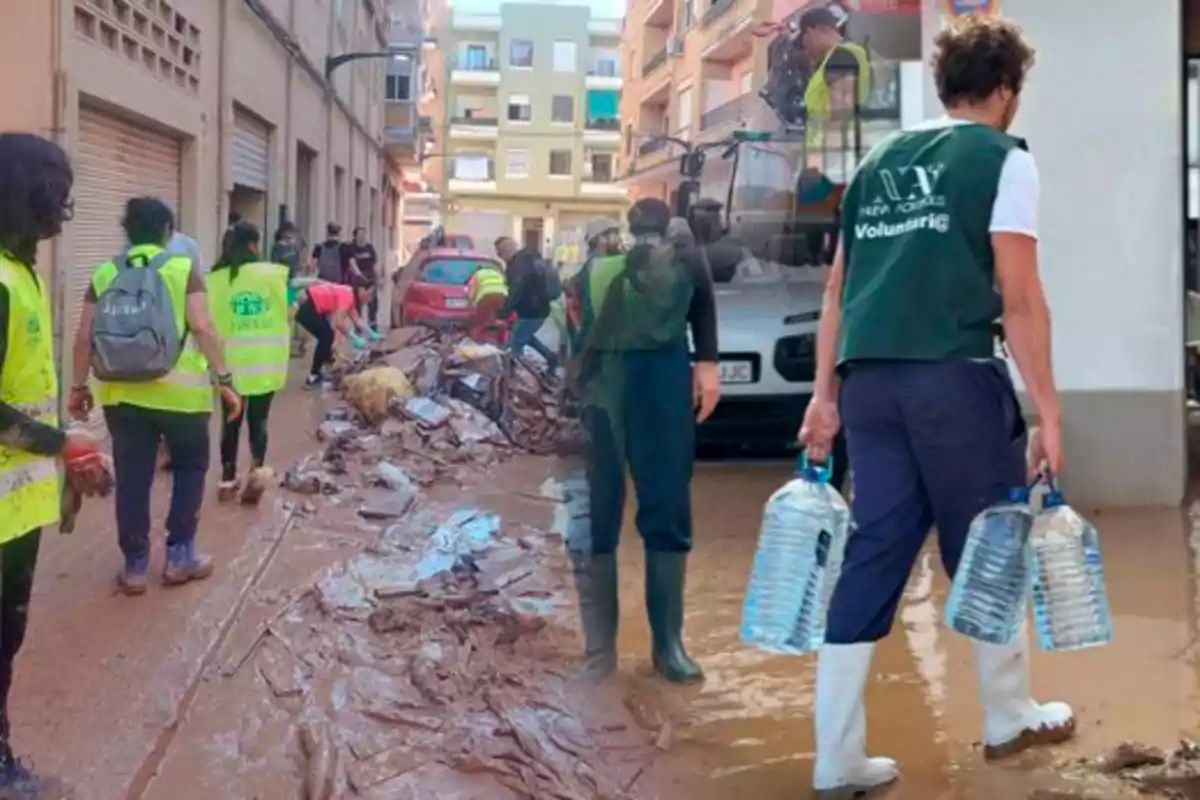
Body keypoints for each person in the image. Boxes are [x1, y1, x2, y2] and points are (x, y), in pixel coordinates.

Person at [797, 17, 1070, 796]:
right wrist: (1049, 411)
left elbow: (836, 292)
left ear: (947, 84)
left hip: (869, 385)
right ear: (1008, 92)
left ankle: (836, 757)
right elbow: (1019, 299)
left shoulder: (879, 161)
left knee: (874, 551)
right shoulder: (1002, 158)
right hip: (951, 378)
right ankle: (1008, 714)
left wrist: (824, 397)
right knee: (988, 547)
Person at [564, 198, 719, 685]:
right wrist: (708, 369)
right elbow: (708, 316)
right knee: (659, 504)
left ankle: (614, 653)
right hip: (643, 385)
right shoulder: (680, 260)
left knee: (607, 507)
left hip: (619, 388)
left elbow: (573, 340)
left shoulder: (593, 270)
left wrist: (707, 368)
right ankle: (655, 650)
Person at [0, 132, 106, 798]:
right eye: (57, 193)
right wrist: (57, 444)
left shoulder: (23, 272)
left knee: (5, 640)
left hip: (17, 505)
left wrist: (69, 449)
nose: (64, 208)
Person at [71, 198, 242, 596]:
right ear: (168, 231)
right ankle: (180, 557)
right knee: (188, 468)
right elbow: (202, 326)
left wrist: (79, 387)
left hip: (121, 396)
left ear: (126, 230)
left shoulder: (105, 272)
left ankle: (134, 566)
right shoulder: (182, 269)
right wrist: (225, 380)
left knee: (133, 478)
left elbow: (84, 338)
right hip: (181, 397)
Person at [207, 221, 290, 504]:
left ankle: (227, 480)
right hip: (265, 363)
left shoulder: (216, 278)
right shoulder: (272, 275)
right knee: (260, 420)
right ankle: (256, 474)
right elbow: (288, 309)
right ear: (254, 245)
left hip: (229, 365)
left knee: (230, 421)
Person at [796, 6, 871, 152]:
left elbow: (841, 107)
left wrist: (829, 157)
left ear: (812, 32)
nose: (805, 47)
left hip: (834, 154)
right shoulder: (844, 55)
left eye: (803, 40)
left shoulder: (839, 56)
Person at [294, 277, 378, 388]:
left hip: (312, 307)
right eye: (370, 293)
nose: (370, 298)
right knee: (326, 336)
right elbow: (339, 323)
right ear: (361, 290)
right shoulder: (348, 295)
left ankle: (319, 370)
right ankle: (313, 375)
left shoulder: (350, 296)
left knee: (328, 336)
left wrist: (372, 334)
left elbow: (358, 321)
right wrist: (354, 338)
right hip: (308, 309)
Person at [495, 236, 560, 371]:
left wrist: (504, 311)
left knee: (515, 346)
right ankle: (551, 357)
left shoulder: (517, 265)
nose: (500, 257)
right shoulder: (532, 259)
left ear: (505, 251)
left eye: (499, 253)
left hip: (530, 311)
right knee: (526, 336)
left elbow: (516, 291)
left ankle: (512, 377)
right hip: (541, 308)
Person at [272, 222, 308, 358]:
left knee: (294, 314)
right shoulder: (279, 248)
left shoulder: (293, 248)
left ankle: (295, 344)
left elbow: (299, 263)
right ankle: (286, 346)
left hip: (293, 282)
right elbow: (276, 264)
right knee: (289, 316)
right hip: (284, 284)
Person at [341, 226, 381, 330]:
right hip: (357, 279)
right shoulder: (351, 248)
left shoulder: (369, 247)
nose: (363, 236)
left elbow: (375, 262)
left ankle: (373, 324)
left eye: (364, 234)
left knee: (372, 303)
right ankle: (358, 325)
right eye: (360, 234)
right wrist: (359, 275)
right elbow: (352, 263)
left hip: (370, 278)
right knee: (357, 303)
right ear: (355, 236)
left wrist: (378, 276)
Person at [466, 259, 509, 343]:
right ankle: (502, 339)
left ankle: (477, 342)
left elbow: (472, 290)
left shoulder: (477, 275)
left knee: (479, 322)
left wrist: (470, 303)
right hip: (501, 296)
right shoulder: (498, 274)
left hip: (486, 296)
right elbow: (505, 284)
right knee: (494, 317)